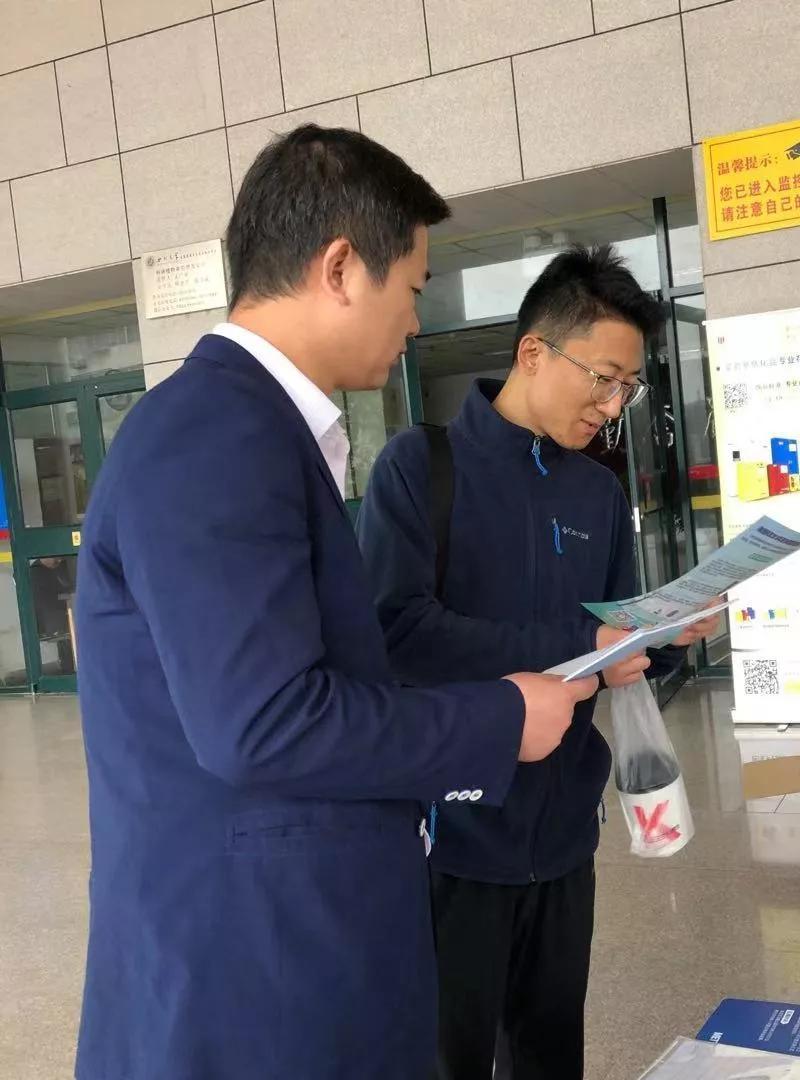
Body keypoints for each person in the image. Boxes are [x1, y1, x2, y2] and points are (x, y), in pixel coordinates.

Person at [73, 125, 597, 1080]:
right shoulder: (215, 434)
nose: (415, 323)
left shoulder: (251, 427)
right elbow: (263, 723)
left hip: (284, 947)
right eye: (413, 289)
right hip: (251, 977)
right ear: (342, 268)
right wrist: (498, 720)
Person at [357, 244, 720, 1080]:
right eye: (603, 378)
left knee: (552, 1055)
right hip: (450, 835)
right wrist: (578, 646)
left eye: (627, 387)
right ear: (533, 352)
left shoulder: (597, 493)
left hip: (562, 837)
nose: (613, 404)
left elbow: (614, 650)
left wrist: (661, 636)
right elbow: (399, 631)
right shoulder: (423, 468)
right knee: (447, 1057)